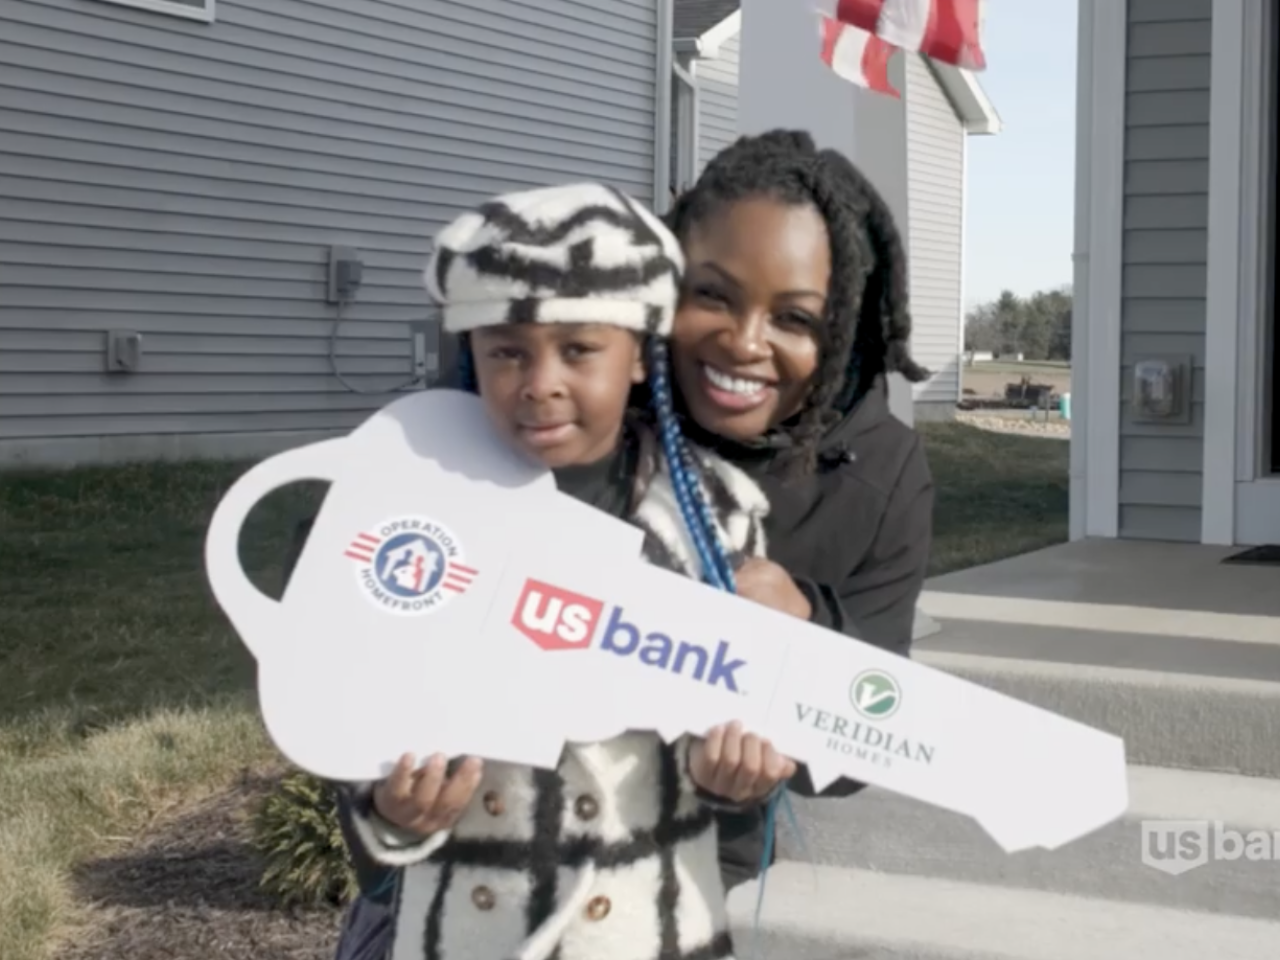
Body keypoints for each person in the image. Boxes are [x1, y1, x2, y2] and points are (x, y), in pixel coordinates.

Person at [314, 181, 799, 960]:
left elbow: (743, 726)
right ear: (470, 354)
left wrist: (731, 772)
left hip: (657, 926)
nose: (540, 381)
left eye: (579, 349)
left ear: (640, 353)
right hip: (471, 925)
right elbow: (353, 710)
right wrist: (392, 809)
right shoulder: (408, 511)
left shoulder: (717, 517)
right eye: (507, 350)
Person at [650, 129, 936, 889]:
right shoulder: (590, 397)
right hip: (488, 851)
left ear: (842, 329)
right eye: (712, 293)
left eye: (796, 319)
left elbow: (860, 745)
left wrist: (808, 620)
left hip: (693, 874)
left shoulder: (882, 471)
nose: (744, 342)